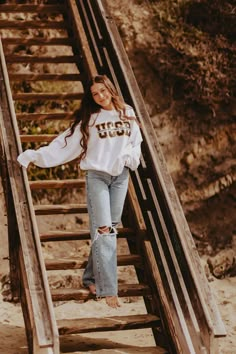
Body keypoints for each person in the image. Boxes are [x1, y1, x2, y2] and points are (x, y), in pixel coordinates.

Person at [17, 74, 143, 308]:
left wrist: (130, 157)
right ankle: (108, 290)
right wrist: (35, 156)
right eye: (95, 94)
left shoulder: (128, 111)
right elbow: (65, 144)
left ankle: (90, 278)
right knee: (104, 230)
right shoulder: (90, 118)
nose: (100, 97)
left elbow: (136, 141)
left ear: (110, 89)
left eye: (103, 91)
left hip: (121, 176)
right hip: (97, 176)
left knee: (109, 229)